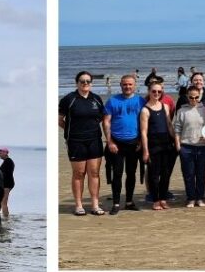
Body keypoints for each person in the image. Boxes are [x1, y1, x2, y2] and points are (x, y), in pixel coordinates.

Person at [59, 71, 107, 216]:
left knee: (94, 173)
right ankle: (79, 205)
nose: (85, 83)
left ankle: (95, 204)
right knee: (79, 173)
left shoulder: (96, 99)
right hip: (75, 141)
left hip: (94, 140)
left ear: (91, 83)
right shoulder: (69, 99)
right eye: (82, 81)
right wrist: (71, 131)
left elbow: (101, 118)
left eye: (87, 81)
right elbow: (59, 119)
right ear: (77, 83)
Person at [103, 74, 145, 214]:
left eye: (130, 84)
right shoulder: (113, 101)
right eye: (125, 84)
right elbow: (106, 121)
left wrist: (140, 141)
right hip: (117, 143)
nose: (127, 87)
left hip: (134, 143)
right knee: (117, 174)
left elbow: (145, 122)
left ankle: (129, 201)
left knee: (131, 173)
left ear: (135, 86)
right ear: (120, 85)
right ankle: (115, 203)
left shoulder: (141, 101)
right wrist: (109, 142)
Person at [140, 81, 176, 210]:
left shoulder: (165, 106)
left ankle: (163, 198)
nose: (156, 93)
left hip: (166, 144)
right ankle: (155, 200)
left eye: (159, 92)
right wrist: (145, 151)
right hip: (153, 145)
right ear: (149, 92)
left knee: (166, 173)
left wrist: (176, 141)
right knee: (154, 175)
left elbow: (169, 126)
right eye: (154, 91)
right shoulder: (145, 110)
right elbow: (144, 132)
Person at [173, 85, 205, 207]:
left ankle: (199, 198)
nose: (193, 99)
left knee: (201, 174)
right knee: (188, 174)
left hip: (203, 146)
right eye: (191, 97)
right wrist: (178, 144)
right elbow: (177, 128)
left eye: (196, 97)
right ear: (187, 97)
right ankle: (191, 198)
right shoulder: (182, 111)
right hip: (186, 146)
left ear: (199, 96)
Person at [0, 147, 15, 218]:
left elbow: (4, 173)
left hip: (7, 184)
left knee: (3, 202)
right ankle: (5, 217)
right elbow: (2, 171)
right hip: (7, 183)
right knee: (2, 202)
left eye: (0, 153)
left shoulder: (8, 161)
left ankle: (6, 218)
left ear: (6, 153)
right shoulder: (7, 161)